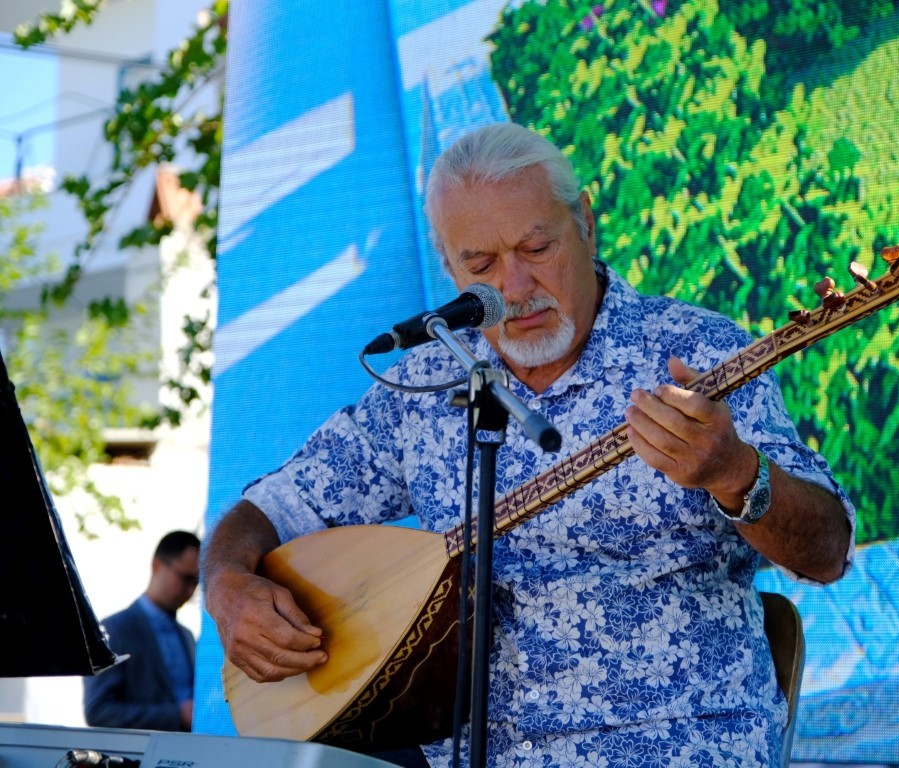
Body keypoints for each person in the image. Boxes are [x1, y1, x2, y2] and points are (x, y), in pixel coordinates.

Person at [202, 122, 855, 767]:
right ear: (448, 264)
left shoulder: (698, 353)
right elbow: (269, 511)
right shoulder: (425, 385)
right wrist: (228, 584)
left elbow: (826, 552)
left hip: (680, 742)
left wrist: (739, 474)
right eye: (480, 265)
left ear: (586, 222)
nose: (512, 289)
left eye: (535, 248)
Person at [84, 530, 200, 732]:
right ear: (157, 565)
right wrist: (177, 715)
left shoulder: (187, 636)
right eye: (185, 578)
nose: (190, 591)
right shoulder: (114, 629)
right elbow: (99, 711)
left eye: (196, 583)